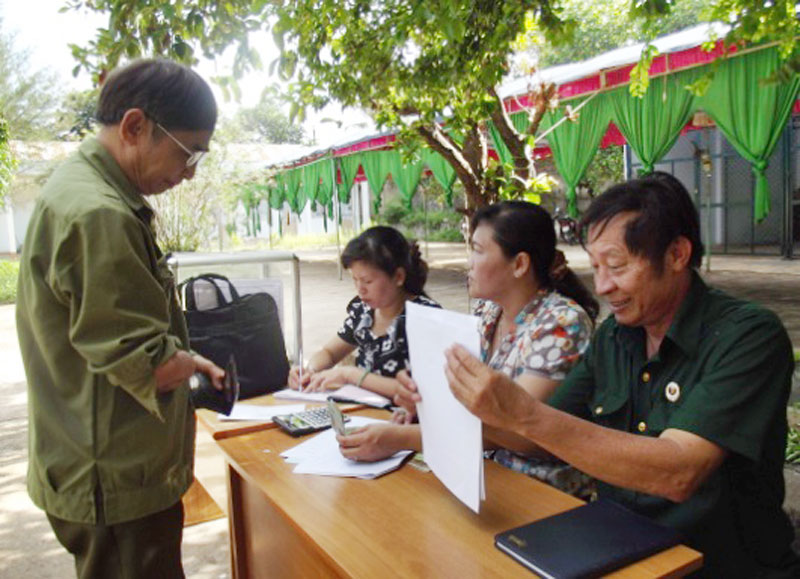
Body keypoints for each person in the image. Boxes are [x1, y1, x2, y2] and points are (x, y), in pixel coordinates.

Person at [445, 173, 800, 578]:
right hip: (615, 548)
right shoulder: (615, 336)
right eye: (595, 267)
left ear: (677, 254)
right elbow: (543, 438)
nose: (602, 286)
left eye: (616, 266)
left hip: (714, 564)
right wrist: (456, 410)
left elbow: (678, 472)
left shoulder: (747, 336)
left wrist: (522, 413)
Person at [16, 59, 224, 579]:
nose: (191, 172)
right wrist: (191, 362)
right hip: (114, 474)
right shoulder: (101, 214)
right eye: (189, 151)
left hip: (95, 459)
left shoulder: (82, 189)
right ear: (134, 126)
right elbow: (150, 365)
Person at [338, 202, 598, 497]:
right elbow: (463, 397)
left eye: (477, 250)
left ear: (519, 264)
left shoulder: (561, 323)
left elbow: (518, 429)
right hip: (479, 474)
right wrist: (420, 403)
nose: (468, 262)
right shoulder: (488, 312)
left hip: (540, 491)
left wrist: (403, 437)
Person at [288, 225, 440, 398]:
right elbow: (329, 353)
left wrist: (351, 376)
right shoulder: (363, 312)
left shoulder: (426, 317)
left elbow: (422, 391)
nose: (360, 289)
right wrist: (309, 371)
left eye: (367, 281)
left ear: (398, 277)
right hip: (361, 409)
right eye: (355, 280)